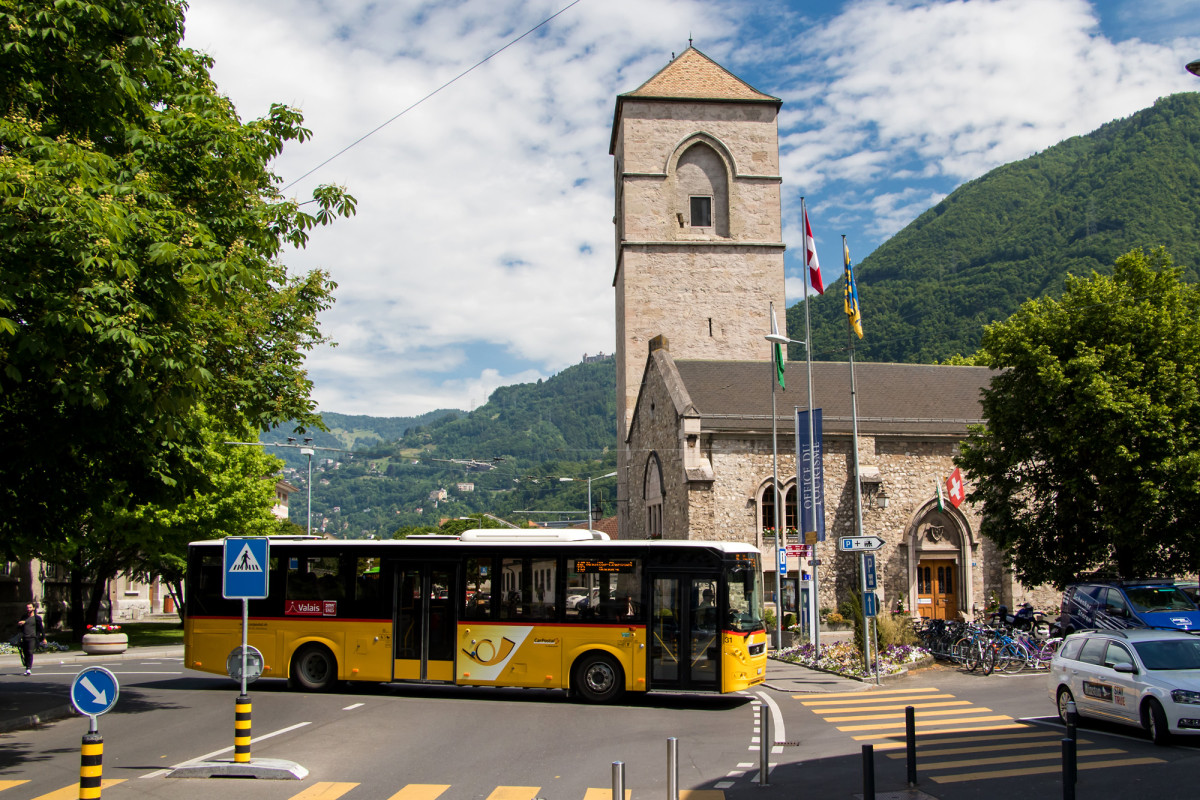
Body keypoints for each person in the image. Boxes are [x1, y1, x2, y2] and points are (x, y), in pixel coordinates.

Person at [15, 602, 46, 676]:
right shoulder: (24, 617)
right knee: (25, 653)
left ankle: (28, 668)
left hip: (32, 637)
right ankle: (27, 666)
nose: (28, 609)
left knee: (30, 652)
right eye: (27, 608)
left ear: (33, 608)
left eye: (30, 607)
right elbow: (19, 628)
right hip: (24, 637)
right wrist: (20, 624)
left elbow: (41, 629)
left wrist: (43, 638)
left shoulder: (37, 618)